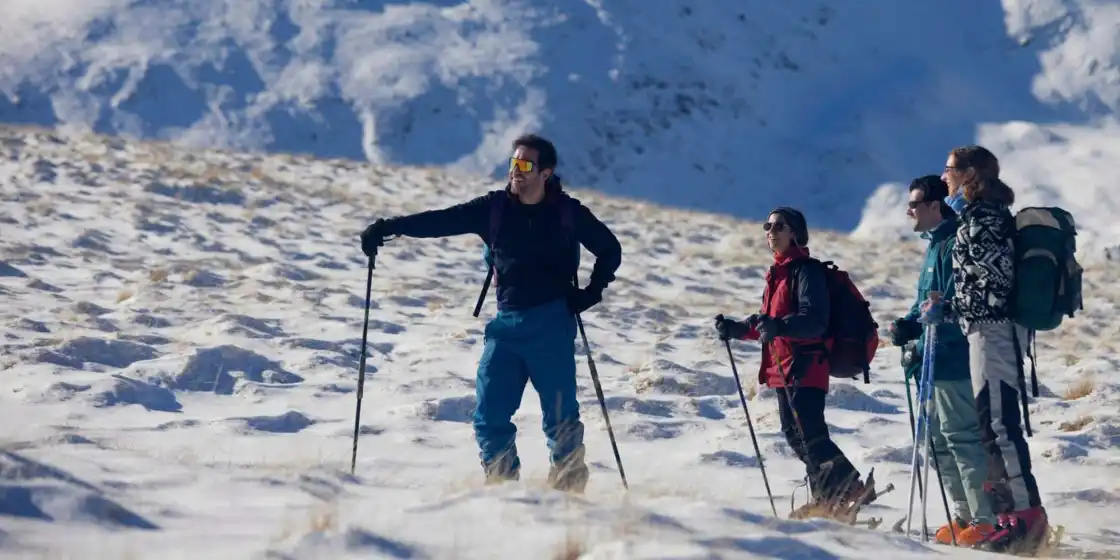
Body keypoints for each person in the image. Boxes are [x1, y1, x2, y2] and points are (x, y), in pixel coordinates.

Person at [359, 133, 622, 493]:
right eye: (514, 162)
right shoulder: (494, 209)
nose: (516, 171)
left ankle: (568, 493)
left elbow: (610, 249)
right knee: (488, 416)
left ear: (546, 173)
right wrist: (390, 228)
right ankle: (502, 491)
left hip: (552, 324)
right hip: (506, 327)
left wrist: (591, 293)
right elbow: (442, 221)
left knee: (561, 419)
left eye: (525, 164)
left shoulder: (567, 212)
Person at [921, 145, 1048, 553]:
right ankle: (1010, 516)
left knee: (999, 424)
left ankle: (1027, 518)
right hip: (982, 331)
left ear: (970, 174)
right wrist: (950, 308)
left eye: (949, 169)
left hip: (994, 333)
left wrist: (951, 307)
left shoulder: (986, 219)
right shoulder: (975, 216)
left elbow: (995, 285)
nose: (944, 177)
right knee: (990, 426)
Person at [714, 207, 873, 517]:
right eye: (768, 226)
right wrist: (737, 329)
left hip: (805, 366)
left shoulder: (806, 272)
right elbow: (768, 322)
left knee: (808, 434)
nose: (771, 231)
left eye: (779, 226)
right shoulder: (779, 273)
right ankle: (827, 496)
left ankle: (848, 487)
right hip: (785, 367)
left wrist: (779, 326)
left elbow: (814, 321)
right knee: (799, 434)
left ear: (795, 233)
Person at [889, 175, 995, 546]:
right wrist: (908, 324)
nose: (909, 211)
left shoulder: (954, 245)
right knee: (937, 442)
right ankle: (963, 515)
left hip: (953, 360)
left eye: (914, 204)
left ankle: (985, 519)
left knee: (961, 438)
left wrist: (928, 328)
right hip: (931, 360)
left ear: (935, 205)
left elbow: (958, 306)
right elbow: (927, 303)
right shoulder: (935, 245)